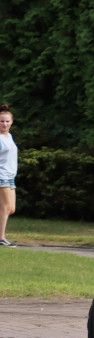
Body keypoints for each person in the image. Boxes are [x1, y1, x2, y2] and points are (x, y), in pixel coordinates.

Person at [0, 105, 17, 247]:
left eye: (7, 121)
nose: (4, 124)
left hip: (11, 176)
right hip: (1, 176)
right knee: (5, 208)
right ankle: (1, 238)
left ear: (11, 122)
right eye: (1, 121)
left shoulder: (9, 136)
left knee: (11, 209)